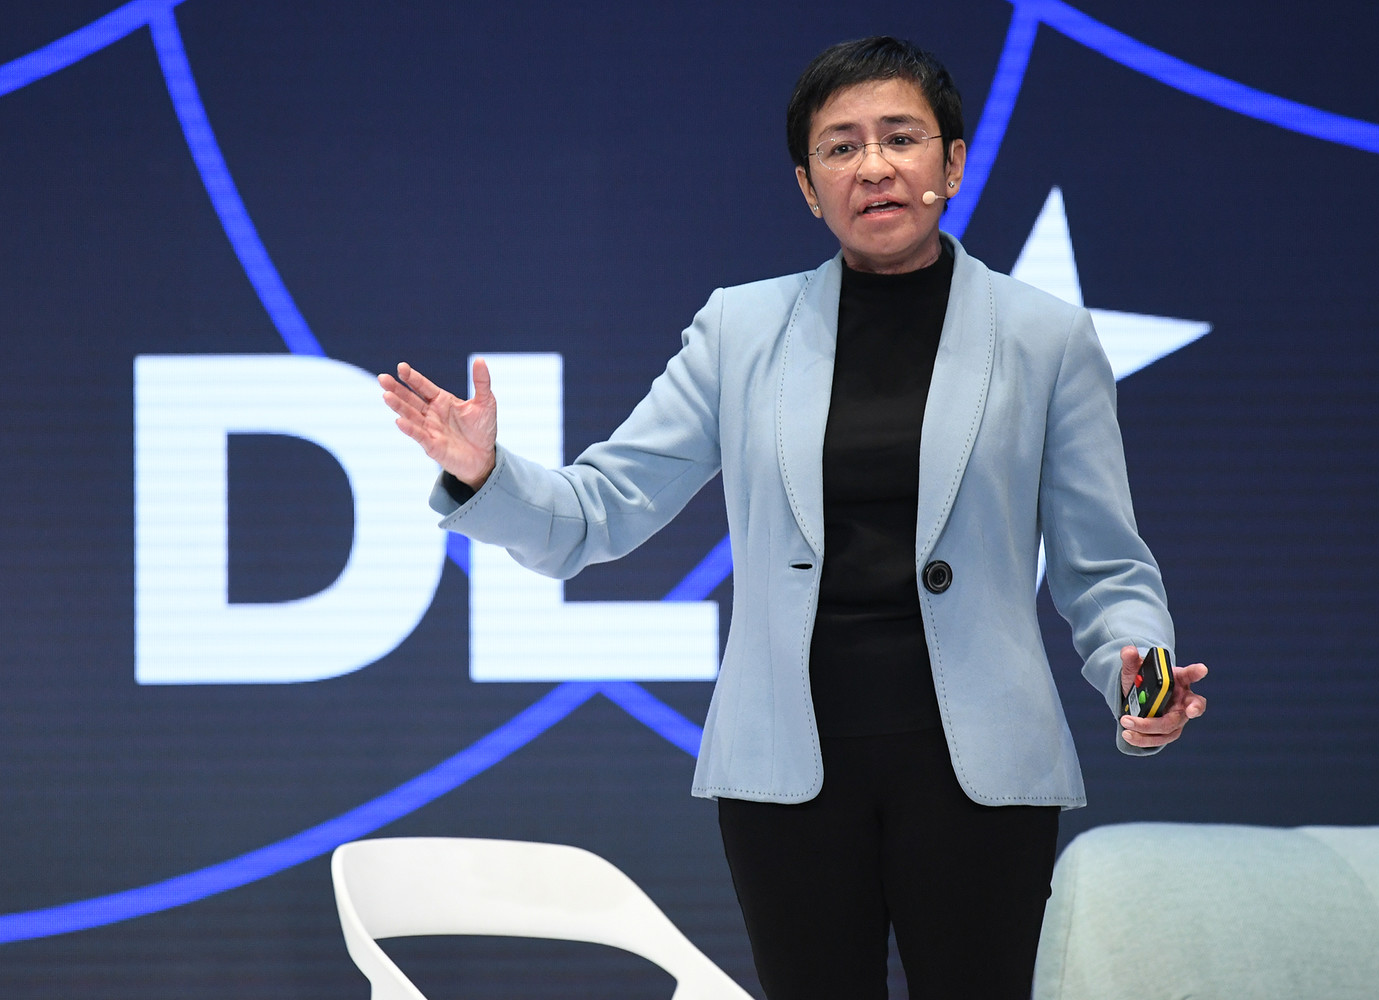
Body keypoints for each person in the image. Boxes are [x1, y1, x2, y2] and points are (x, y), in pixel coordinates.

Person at [379, 36, 1207, 1000]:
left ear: (953, 163)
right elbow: (599, 512)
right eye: (841, 147)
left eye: (900, 137)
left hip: (980, 768)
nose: (874, 166)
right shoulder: (740, 330)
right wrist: (483, 471)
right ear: (810, 189)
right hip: (788, 772)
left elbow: (1104, 565)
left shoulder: (1045, 337)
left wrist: (1139, 680)